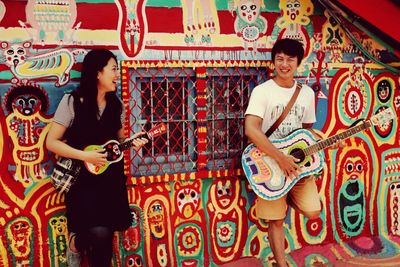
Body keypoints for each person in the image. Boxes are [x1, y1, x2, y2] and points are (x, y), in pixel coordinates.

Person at [46, 49, 148, 267]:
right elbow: (52, 142)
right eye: (113, 69)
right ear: (97, 73)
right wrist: (85, 155)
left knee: (105, 237)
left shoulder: (116, 105)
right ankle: (76, 243)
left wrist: (133, 141)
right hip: (82, 182)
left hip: (110, 181)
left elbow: (118, 142)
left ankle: (79, 245)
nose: (117, 74)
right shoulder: (72, 102)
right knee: (99, 234)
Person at [244, 38, 321, 267]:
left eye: (290, 59)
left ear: (299, 63)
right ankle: (281, 263)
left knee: (313, 211)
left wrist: (324, 141)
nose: (284, 64)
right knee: (276, 221)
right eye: (280, 59)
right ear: (273, 62)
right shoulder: (262, 92)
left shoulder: (306, 93)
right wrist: (280, 158)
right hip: (269, 165)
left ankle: (283, 197)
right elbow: (251, 129)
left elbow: (306, 132)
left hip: (296, 168)